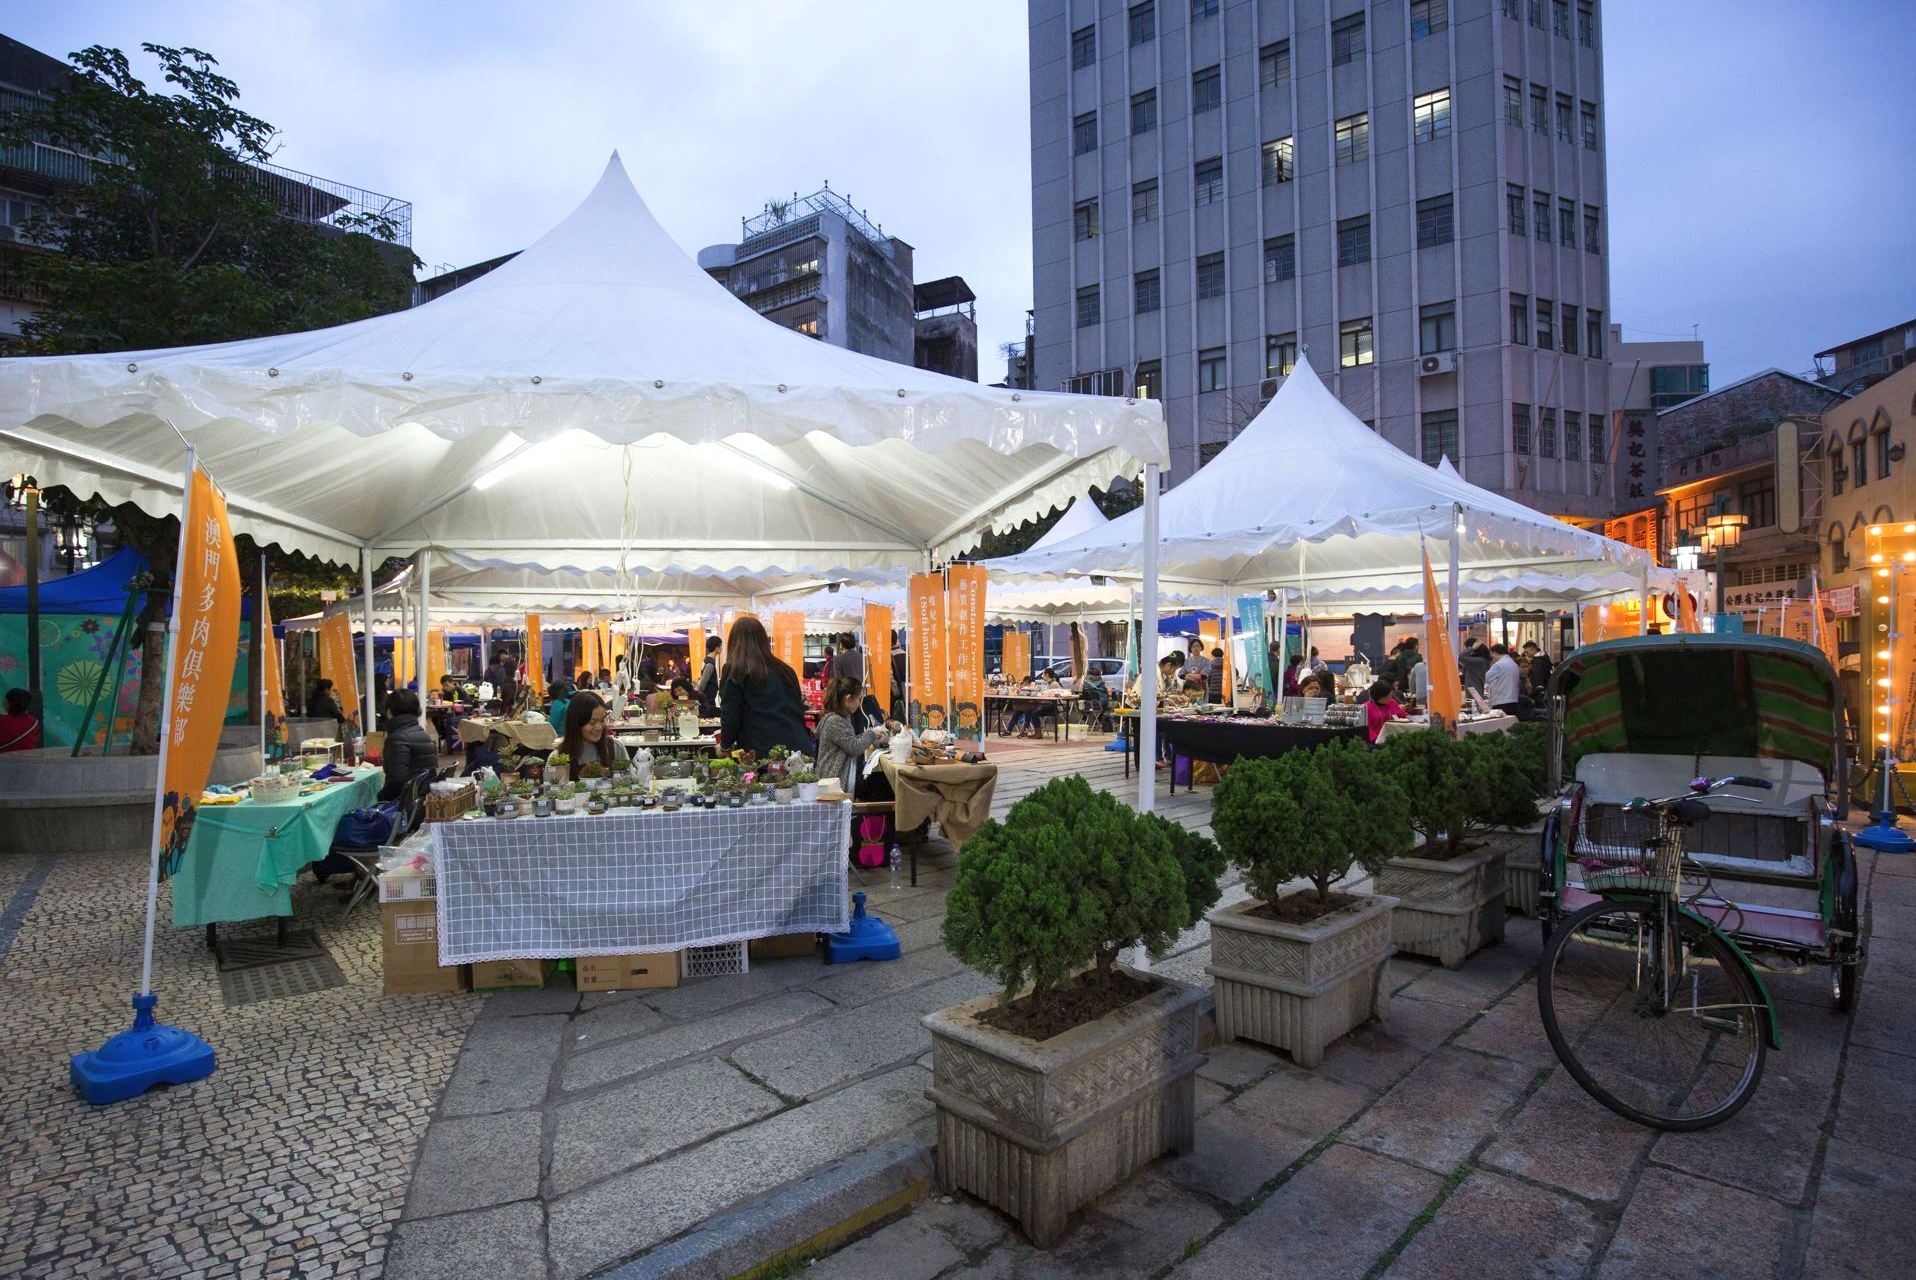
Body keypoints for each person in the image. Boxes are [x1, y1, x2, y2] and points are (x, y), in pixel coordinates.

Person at [719, 615, 813, 758]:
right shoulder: (785, 670)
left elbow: (730, 715)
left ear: (733, 642)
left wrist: (725, 746)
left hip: (764, 752)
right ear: (764, 640)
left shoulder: (736, 670)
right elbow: (798, 709)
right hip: (799, 748)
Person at [814, 675, 891, 793]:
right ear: (848, 699)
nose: (859, 704)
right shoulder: (834, 721)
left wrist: (875, 737)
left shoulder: (838, 718)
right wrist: (872, 733)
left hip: (838, 778)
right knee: (889, 784)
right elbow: (854, 748)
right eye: (859, 699)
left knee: (884, 780)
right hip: (836, 782)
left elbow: (850, 741)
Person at [378, 690, 439, 802]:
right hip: (422, 799)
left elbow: (397, 781)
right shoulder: (422, 733)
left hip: (404, 804)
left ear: (389, 711)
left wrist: (380, 798)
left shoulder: (397, 738)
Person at [555, 690, 630, 780]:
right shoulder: (558, 757)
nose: (599, 727)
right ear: (576, 723)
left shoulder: (615, 747)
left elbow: (630, 781)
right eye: (592, 722)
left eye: (602, 720)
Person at [1485, 643, 1524, 715]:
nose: (1492, 657)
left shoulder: (1498, 665)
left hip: (1500, 700)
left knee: (1501, 721)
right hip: (1513, 699)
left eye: (1492, 654)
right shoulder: (1514, 664)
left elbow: (1487, 678)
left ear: (1494, 653)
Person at [1365, 678, 1407, 744]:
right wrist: (1378, 739)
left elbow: (1404, 716)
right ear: (1378, 696)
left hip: (1394, 737)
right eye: (1387, 697)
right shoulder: (1367, 707)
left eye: (1390, 696)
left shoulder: (1392, 702)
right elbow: (1367, 729)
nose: (1389, 698)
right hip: (1377, 740)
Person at [1, 688, 41, 753]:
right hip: (28, 758)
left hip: (4, 758)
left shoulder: (2, 720)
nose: (3, 702)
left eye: (4, 700)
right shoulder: (34, 722)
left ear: (9, 703)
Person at [695, 635, 722, 717]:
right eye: (721, 646)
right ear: (716, 648)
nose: (721, 648)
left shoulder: (707, 660)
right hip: (707, 700)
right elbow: (702, 684)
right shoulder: (710, 664)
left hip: (707, 698)